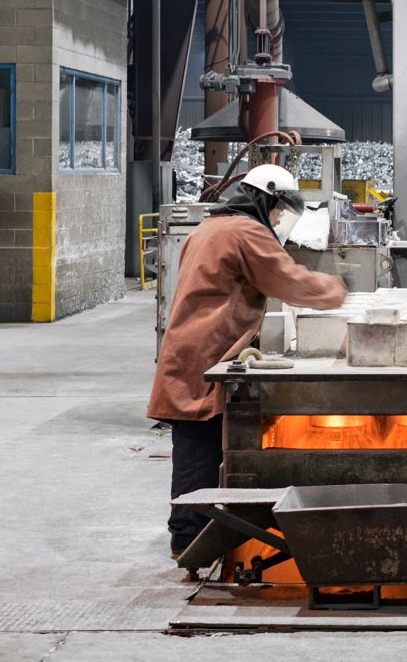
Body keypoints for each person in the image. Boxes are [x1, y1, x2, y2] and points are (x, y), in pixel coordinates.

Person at [147, 164, 348, 556]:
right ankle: (189, 541)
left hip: (191, 349)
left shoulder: (210, 227)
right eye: (277, 211)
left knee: (198, 446)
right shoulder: (246, 232)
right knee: (200, 449)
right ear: (264, 198)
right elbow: (287, 279)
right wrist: (339, 291)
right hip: (207, 351)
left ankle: (195, 534)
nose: (276, 220)